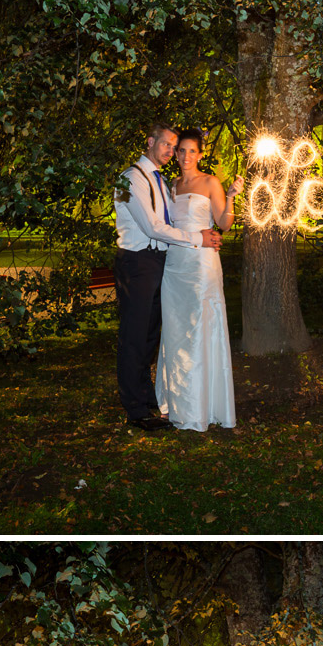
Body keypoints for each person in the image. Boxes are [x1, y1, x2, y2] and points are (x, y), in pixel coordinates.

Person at [113, 124, 223, 432]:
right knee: (134, 336)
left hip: (159, 262)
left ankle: (146, 398)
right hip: (136, 262)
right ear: (150, 142)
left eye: (174, 147)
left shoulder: (161, 182)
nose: (171, 151)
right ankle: (135, 409)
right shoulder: (131, 178)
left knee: (149, 335)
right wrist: (196, 238)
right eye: (166, 144)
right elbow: (151, 227)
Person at [155, 129, 243, 432]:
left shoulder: (210, 182)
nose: (185, 157)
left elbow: (223, 224)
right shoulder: (170, 186)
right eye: (181, 151)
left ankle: (202, 404)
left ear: (201, 155)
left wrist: (231, 198)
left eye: (192, 151)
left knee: (201, 329)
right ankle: (174, 402)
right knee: (176, 332)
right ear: (175, 154)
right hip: (174, 265)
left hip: (202, 265)